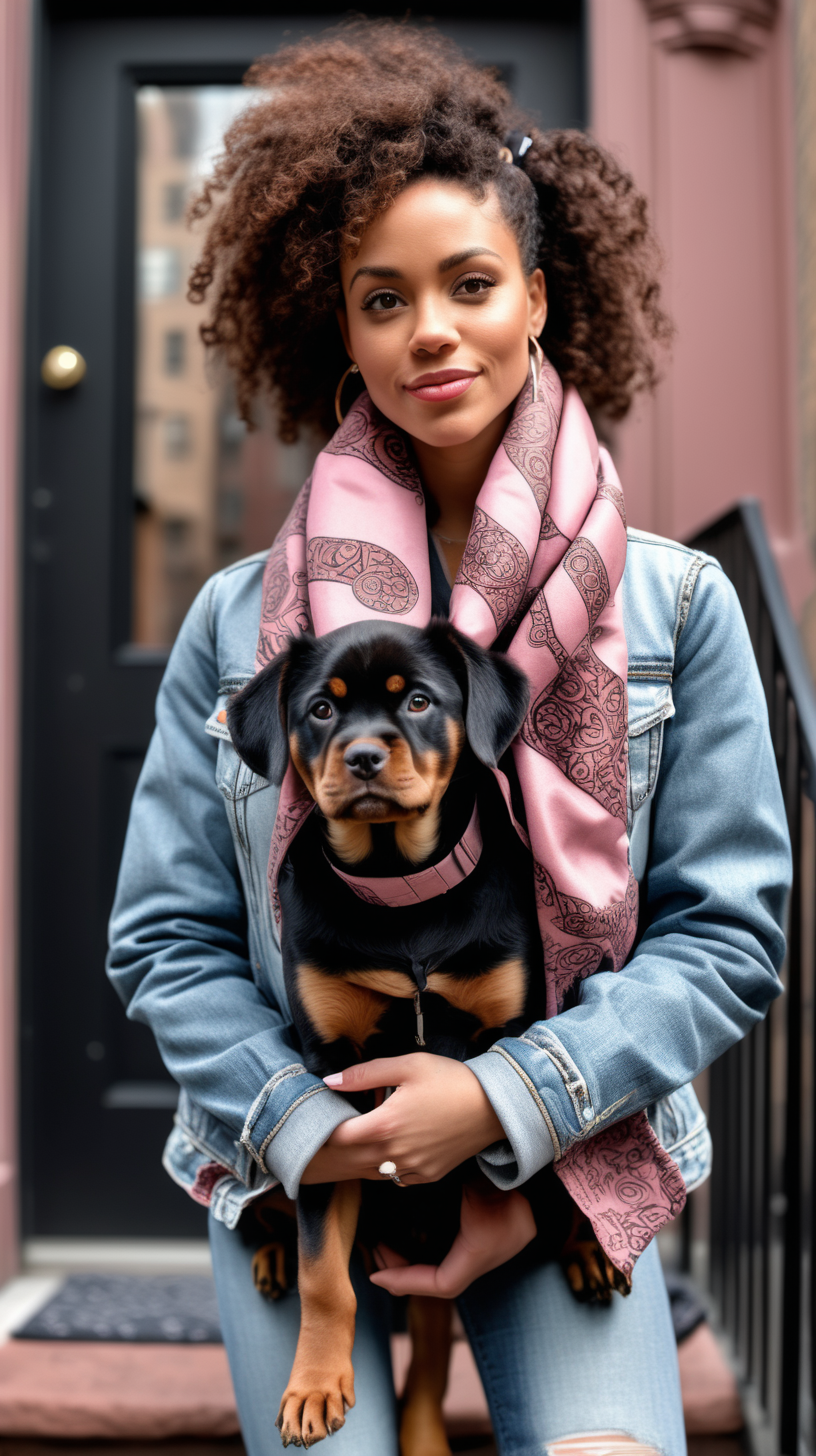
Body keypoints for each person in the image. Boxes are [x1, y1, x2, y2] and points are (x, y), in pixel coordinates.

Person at [107, 21, 791, 1456]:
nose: (431, 330)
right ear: (336, 328)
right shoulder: (244, 629)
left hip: (568, 1163)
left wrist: (500, 1106)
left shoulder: (679, 604)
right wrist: (313, 1127)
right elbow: (164, 938)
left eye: (472, 285)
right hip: (298, 1161)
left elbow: (727, 936)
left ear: (538, 300)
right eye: (383, 298)